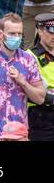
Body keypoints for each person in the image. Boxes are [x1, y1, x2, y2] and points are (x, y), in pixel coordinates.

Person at [0, 12, 47, 139]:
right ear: (0, 34)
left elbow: (40, 98)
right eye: (12, 33)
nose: (16, 37)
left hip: (19, 132)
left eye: (19, 34)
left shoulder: (28, 60)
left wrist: (22, 82)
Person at [29, 13, 54, 141]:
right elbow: (28, 91)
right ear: (39, 30)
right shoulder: (29, 57)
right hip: (41, 117)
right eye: (51, 32)